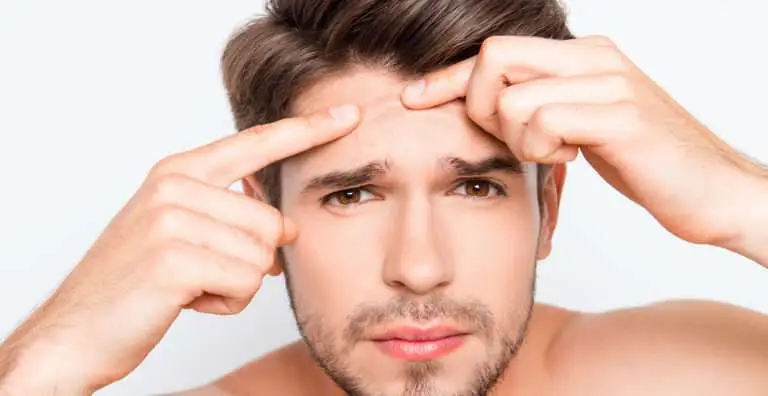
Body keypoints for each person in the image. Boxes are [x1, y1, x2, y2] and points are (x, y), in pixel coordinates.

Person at [1, 0, 767, 394]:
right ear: (259, 210)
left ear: (549, 211)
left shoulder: (687, 373)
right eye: (353, 195)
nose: (420, 269)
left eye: (474, 186)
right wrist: (42, 364)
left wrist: (741, 200)